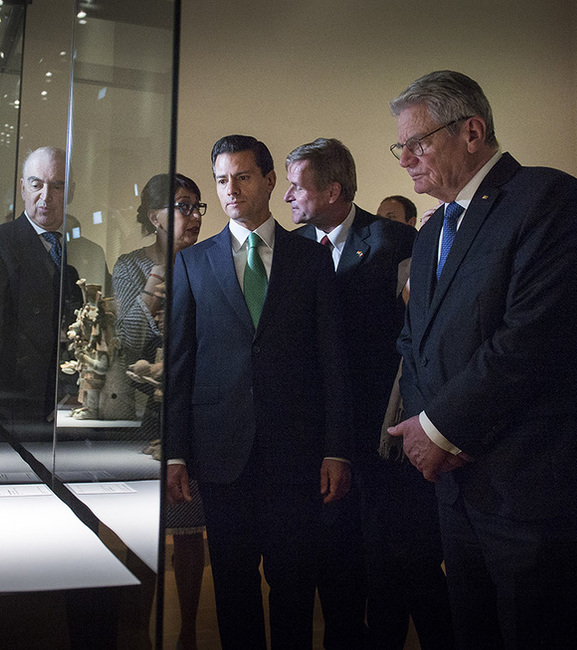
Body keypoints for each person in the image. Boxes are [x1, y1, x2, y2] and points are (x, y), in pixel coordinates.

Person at [386, 70, 577, 649]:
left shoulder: (547, 197)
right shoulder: (431, 229)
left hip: (536, 494)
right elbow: (415, 344)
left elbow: (531, 340)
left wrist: (437, 429)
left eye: (418, 143)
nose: (406, 159)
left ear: (471, 130)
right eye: (401, 147)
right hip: (459, 492)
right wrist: (424, 434)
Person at [165, 134, 353, 649]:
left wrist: (337, 448)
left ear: (269, 180)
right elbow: (180, 367)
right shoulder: (192, 263)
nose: (231, 190)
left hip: (296, 455)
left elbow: (331, 362)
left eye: (242, 177)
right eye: (222, 180)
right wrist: (176, 452)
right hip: (222, 455)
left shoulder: (310, 259)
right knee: (232, 588)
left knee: (294, 588)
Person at [286, 138, 451, 649]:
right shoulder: (292, 251)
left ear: (333, 189)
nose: (287, 196)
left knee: (405, 567)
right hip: (325, 440)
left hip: (387, 440)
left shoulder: (395, 242)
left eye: (297, 185)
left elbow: (423, 338)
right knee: (337, 572)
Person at [111, 172, 206, 650]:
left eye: (196, 206)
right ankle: (138, 632)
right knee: (144, 529)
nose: (193, 216)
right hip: (145, 410)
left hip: (193, 408)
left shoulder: (211, 260)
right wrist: (151, 292)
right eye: (182, 205)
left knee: (189, 529)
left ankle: (188, 630)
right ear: (154, 216)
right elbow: (127, 340)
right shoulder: (131, 266)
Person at [0, 146, 82, 434]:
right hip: (13, 404)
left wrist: (66, 386)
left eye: (57, 186)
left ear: (69, 193)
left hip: (58, 403)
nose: (46, 197)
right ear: (22, 188)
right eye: (37, 184)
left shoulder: (70, 255)